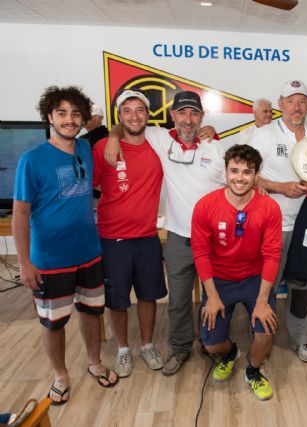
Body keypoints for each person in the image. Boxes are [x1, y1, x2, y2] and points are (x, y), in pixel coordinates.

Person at [105, 90, 224, 376]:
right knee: (178, 301)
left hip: (213, 241)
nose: (188, 120)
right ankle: (180, 348)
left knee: (216, 298)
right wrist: (112, 137)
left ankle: (213, 345)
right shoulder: (160, 138)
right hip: (179, 239)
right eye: (182, 113)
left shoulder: (215, 147)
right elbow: (128, 123)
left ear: (202, 117)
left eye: (194, 113)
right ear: (172, 116)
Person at [12, 86, 118, 405]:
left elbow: (110, 129)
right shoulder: (32, 160)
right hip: (50, 259)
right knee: (53, 322)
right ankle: (60, 375)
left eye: (75, 114)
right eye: (62, 113)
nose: (69, 120)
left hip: (89, 253)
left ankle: (94, 362)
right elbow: (20, 215)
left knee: (91, 313)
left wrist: (105, 129)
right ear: (49, 117)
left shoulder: (85, 148)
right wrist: (24, 262)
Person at [191, 144, 282, 401]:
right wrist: (211, 296)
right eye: (234, 171)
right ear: (225, 171)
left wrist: (262, 301)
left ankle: (253, 370)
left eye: (247, 172)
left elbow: (272, 255)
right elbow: (200, 253)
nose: (239, 178)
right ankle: (230, 352)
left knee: (266, 330)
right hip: (220, 280)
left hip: (254, 278)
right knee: (211, 344)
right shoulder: (205, 205)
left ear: (256, 175)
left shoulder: (269, 207)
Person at [250, 80, 307, 363]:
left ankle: (300, 340)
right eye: (291, 101)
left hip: (306, 226)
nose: (297, 107)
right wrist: (280, 187)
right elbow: (248, 175)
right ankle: (261, 342)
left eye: (302, 101)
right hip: (273, 226)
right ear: (281, 104)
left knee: (303, 287)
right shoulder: (264, 135)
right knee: (266, 287)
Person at [93, 89, 166, 377]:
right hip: (113, 239)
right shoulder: (104, 147)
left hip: (147, 237)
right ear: (119, 116)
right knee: (117, 299)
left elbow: (191, 132)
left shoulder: (159, 144)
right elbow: (87, 188)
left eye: (140, 110)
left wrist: (209, 130)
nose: (134, 116)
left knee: (148, 296)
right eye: (127, 110)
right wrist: (113, 136)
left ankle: (147, 345)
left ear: (148, 115)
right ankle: (123, 349)